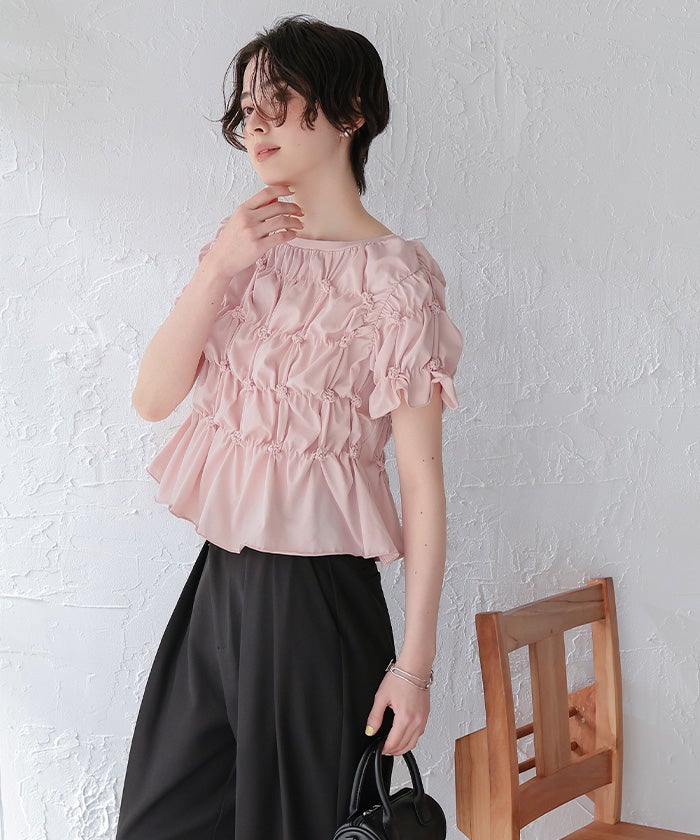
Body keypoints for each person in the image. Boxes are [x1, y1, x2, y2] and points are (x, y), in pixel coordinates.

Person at [116, 14, 463, 840]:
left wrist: (414, 666)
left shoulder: (396, 280)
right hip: (217, 588)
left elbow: (421, 482)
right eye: (248, 108)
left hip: (315, 604)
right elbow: (153, 399)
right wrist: (218, 266)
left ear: (351, 113)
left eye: (279, 99)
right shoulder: (242, 250)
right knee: (158, 822)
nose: (257, 123)